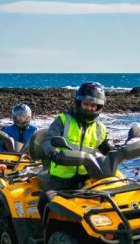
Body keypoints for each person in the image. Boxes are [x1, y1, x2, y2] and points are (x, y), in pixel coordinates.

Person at [38, 82, 111, 216]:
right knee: (45, 201)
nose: (89, 108)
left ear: (99, 106)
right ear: (79, 102)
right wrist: (53, 152)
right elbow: (48, 141)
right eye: (86, 104)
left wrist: (121, 152)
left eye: (93, 105)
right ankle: (48, 235)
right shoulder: (63, 120)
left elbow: (108, 149)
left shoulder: (100, 128)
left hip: (89, 178)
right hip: (61, 180)